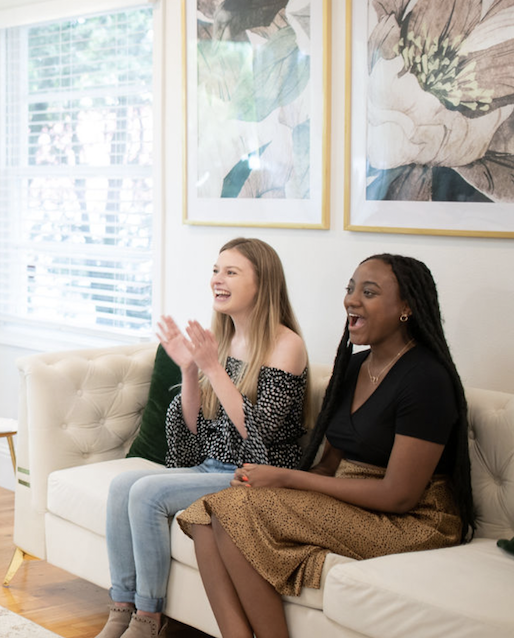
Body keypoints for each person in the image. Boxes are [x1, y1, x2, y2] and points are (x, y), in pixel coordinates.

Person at [178, 254, 476, 638]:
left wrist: (287, 479)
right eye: (350, 289)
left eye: (368, 292)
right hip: (357, 503)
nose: (352, 300)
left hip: (415, 519)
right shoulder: (354, 367)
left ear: (407, 307)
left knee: (234, 511)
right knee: (204, 514)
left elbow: (398, 496)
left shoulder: (427, 380)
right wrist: (272, 481)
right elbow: (328, 466)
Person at [98, 237, 309, 638]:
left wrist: (214, 369)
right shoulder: (223, 339)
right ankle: (121, 606)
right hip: (212, 467)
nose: (218, 279)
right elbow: (188, 448)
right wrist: (190, 372)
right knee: (123, 482)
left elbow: (261, 437)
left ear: (262, 283)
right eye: (216, 270)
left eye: (231, 272)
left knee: (147, 493)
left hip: (252, 476)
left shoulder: (286, 345)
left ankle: (149, 619)